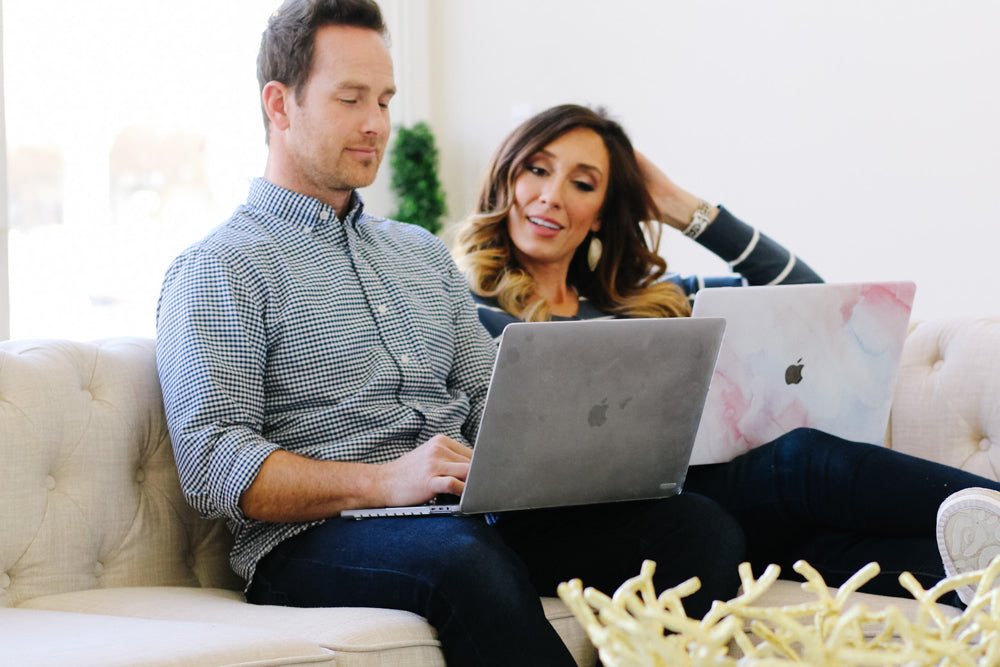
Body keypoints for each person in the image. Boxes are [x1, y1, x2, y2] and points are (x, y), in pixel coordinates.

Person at [154, 3, 746, 664]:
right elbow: (212, 462)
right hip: (312, 539)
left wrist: (574, 456)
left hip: (463, 515)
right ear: (279, 104)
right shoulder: (219, 266)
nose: (376, 123)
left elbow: (489, 397)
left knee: (697, 529)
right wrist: (385, 480)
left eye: (384, 99)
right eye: (351, 99)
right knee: (465, 560)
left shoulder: (420, 254)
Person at [454, 103, 1000, 607]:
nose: (551, 196)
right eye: (537, 170)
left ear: (601, 212)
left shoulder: (651, 301)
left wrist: (681, 207)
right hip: (598, 524)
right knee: (800, 460)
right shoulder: (459, 304)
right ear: (506, 177)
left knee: (848, 549)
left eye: (582, 183)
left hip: (711, 509)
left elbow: (806, 295)